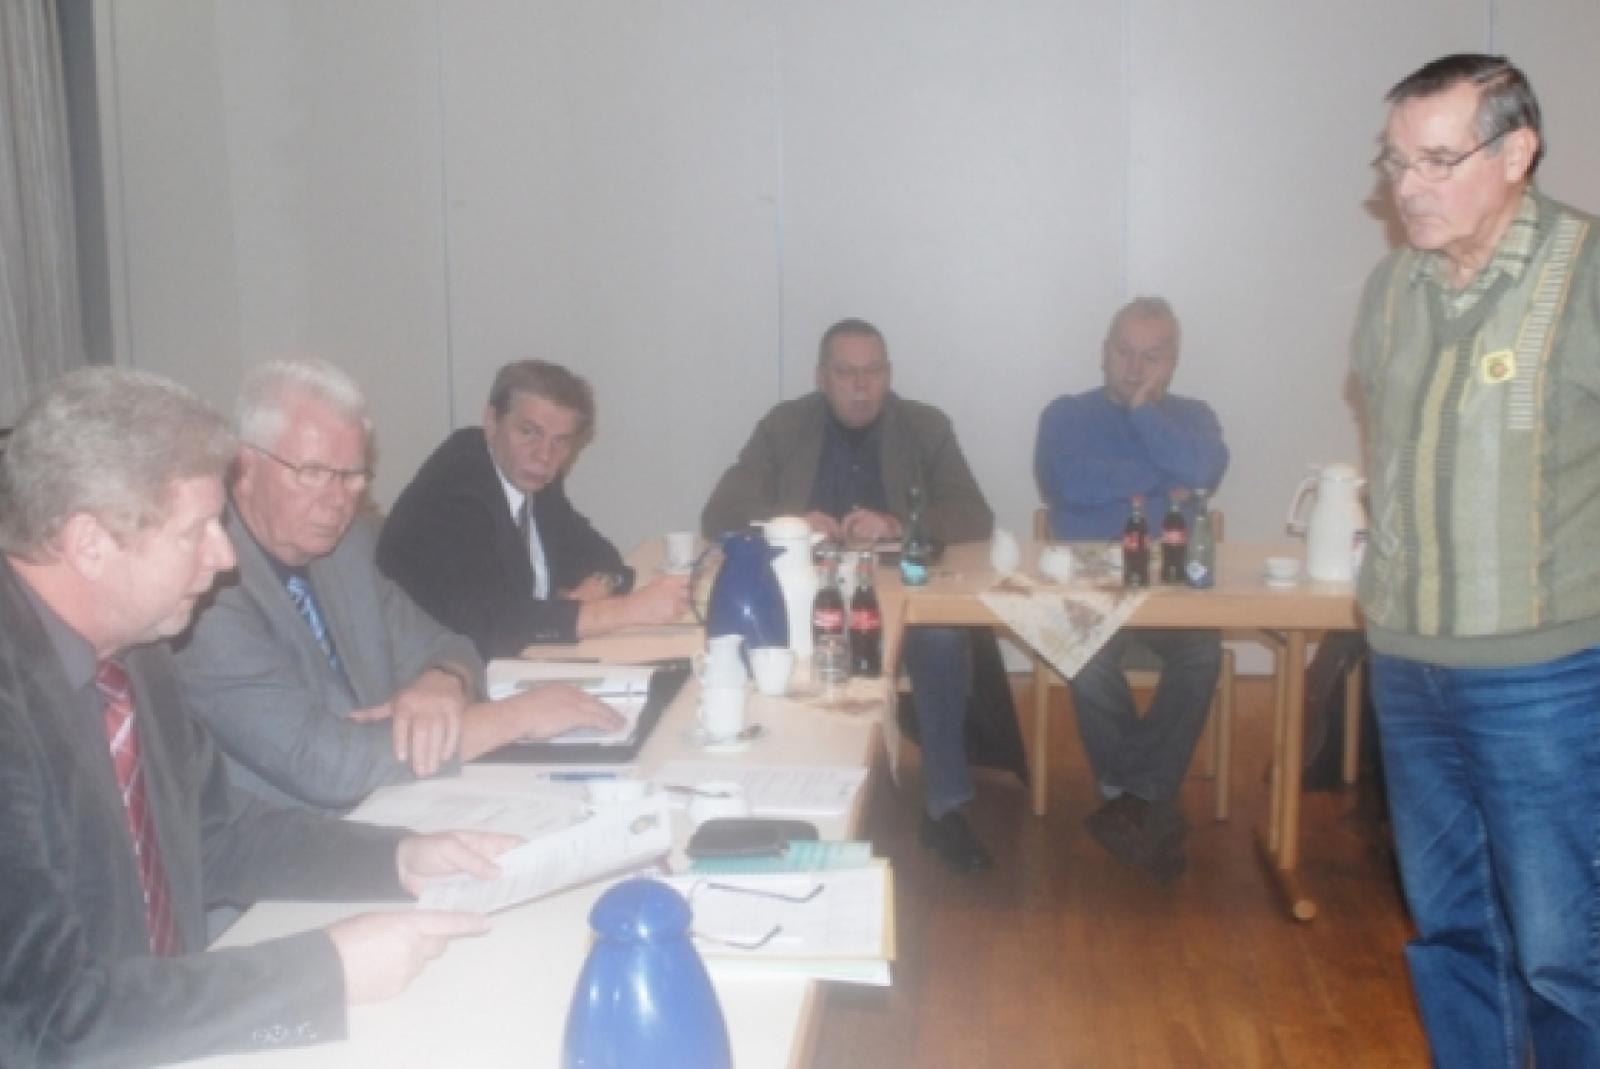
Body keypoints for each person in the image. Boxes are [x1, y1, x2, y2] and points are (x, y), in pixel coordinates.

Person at [0, 368, 512, 1066]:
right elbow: (51, 1018)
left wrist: (399, 857)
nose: (224, 556)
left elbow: (216, 834)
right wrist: (325, 974)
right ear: (89, 543)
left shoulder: (135, 653)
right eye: (197, 531)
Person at [1353, 54, 1600, 1066]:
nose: (1407, 186)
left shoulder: (1585, 273)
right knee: (1451, 932)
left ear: (1516, 152)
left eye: (1437, 160)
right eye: (1394, 161)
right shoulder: (1391, 288)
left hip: (1545, 675)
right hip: (1407, 665)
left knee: (1564, 949)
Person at [174, 359, 621, 813]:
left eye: (352, 476)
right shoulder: (203, 594)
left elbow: (451, 646)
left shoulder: (346, 549)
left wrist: (442, 681)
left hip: (401, 797)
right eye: (312, 473)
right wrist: (514, 718)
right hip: (296, 836)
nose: (337, 501)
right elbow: (325, 766)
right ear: (244, 468)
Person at [702, 318, 998, 872]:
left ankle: (946, 809)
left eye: (873, 372)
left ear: (889, 374)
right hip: (805, 591)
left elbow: (973, 514)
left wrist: (897, 524)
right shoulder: (784, 426)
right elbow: (720, 511)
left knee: (941, 639)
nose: (861, 386)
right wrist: (790, 521)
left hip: (896, 586)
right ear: (822, 378)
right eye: (846, 373)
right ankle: (787, 793)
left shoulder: (925, 426)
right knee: (763, 643)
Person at [1034, 297, 1228, 881]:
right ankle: (1144, 801)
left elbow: (1204, 471)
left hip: (1172, 586)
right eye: (1124, 352)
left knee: (1203, 651)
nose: (1135, 368)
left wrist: (1145, 416)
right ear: (1104, 352)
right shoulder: (1066, 415)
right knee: (1084, 654)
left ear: (1173, 361)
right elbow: (1071, 485)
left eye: (1152, 356)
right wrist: (1167, 480)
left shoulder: (1194, 416)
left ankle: (1130, 799)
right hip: (1087, 583)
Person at [377, 359, 688, 658]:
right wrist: (623, 611)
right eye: (529, 432)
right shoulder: (453, 491)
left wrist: (600, 586)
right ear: (492, 422)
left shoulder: (531, 477)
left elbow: (597, 554)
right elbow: (491, 623)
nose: (544, 455)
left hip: (513, 660)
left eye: (560, 442)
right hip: (434, 673)